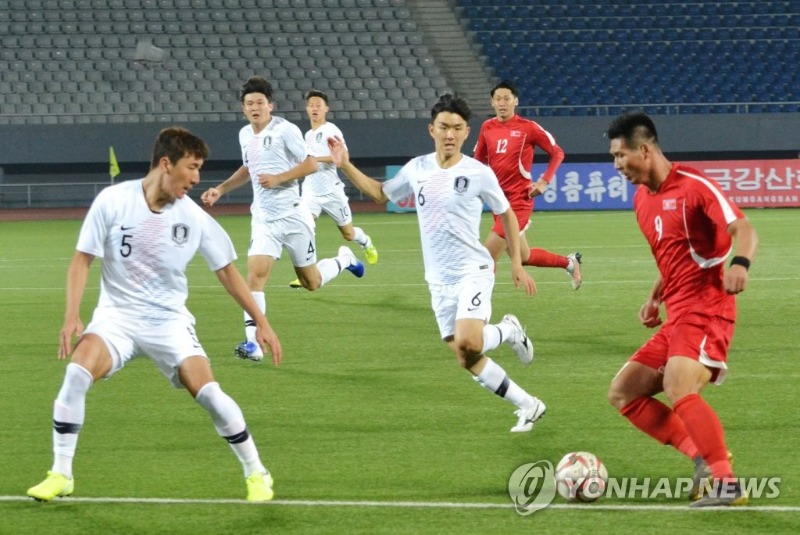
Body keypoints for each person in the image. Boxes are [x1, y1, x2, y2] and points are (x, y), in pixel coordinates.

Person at [27, 127, 282, 503]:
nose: (196, 178)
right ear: (166, 164)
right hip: (117, 318)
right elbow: (82, 260)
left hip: (169, 322)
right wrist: (72, 315)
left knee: (208, 392)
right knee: (76, 373)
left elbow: (227, 271)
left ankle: (256, 472)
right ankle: (61, 474)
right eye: (192, 168)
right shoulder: (113, 201)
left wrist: (261, 322)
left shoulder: (193, 218)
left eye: (199, 169)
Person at [328, 93, 546, 433]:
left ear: (465, 133)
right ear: (432, 129)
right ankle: (527, 401)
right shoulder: (417, 169)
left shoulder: (478, 173)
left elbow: (506, 213)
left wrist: (517, 262)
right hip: (438, 280)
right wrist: (344, 163)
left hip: (473, 270)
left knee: (469, 342)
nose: (449, 134)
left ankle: (506, 331)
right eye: (444, 126)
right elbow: (379, 193)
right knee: (465, 356)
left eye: (457, 128)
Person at [605, 112, 758, 507]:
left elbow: (744, 229)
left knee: (678, 385)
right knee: (624, 394)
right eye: (613, 159)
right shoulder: (641, 199)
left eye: (621, 156)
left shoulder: (695, 187)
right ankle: (701, 459)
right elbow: (672, 255)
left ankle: (727, 483)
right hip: (678, 315)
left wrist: (740, 264)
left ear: (644, 149)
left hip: (709, 308)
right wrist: (656, 295)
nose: (617, 165)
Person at [201, 76, 364, 361]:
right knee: (254, 277)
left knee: (310, 282)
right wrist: (221, 189)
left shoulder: (285, 130)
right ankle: (253, 344)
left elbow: (312, 163)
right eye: (249, 104)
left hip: (294, 216)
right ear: (243, 109)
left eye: (260, 103)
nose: (255, 108)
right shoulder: (244, 135)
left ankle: (345, 259)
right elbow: (248, 168)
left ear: (270, 105)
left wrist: (279, 178)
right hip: (264, 220)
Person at [473, 80, 582, 290]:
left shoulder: (528, 128)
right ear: (492, 103)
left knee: (485, 258)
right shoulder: (487, 127)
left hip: (519, 203)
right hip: (498, 203)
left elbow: (557, 152)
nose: (502, 103)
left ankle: (475, 310)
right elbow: (478, 161)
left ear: (516, 101)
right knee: (523, 256)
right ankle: (569, 262)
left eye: (506, 98)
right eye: (498, 99)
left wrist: (544, 181)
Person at [289, 89, 378, 289]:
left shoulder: (331, 130)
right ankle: (307, 272)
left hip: (331, 191)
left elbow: (341, 157)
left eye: (318, 105)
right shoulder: (307, 135)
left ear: (326, 109)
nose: (314, 108)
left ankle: (365, 243)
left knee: (347, 233)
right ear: (306, 109)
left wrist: (316, 159)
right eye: (311, 105)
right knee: (304, 227)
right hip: (310, 191)